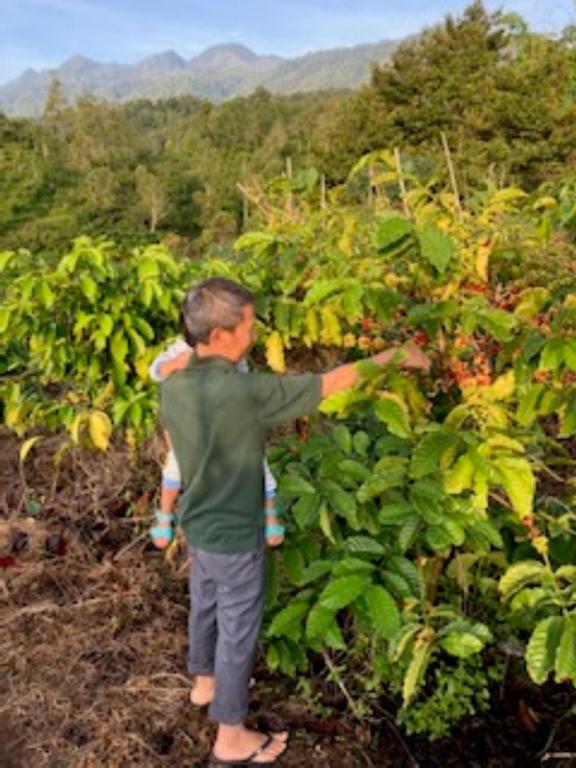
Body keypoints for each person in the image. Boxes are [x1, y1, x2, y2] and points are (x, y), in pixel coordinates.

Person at [159, 277, 430, 766]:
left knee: (205, 602)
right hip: (237, 531)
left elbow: (179, 374)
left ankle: (204, 682)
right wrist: (393, 357)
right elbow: (331, 383)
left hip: (195, 523)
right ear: (220, 336)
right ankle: (231, 734)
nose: (255, 334)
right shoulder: (244, 392)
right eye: (247, 327)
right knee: (239, 628)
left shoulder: (174, 385)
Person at [148, 340, 284, 550]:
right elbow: (156, 371)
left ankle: (270, 515)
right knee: (174, 465)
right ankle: (165, 515)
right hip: (190, 424)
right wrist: (175, 363)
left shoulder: (233, 350)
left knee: (257, 464)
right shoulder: (182, 347)